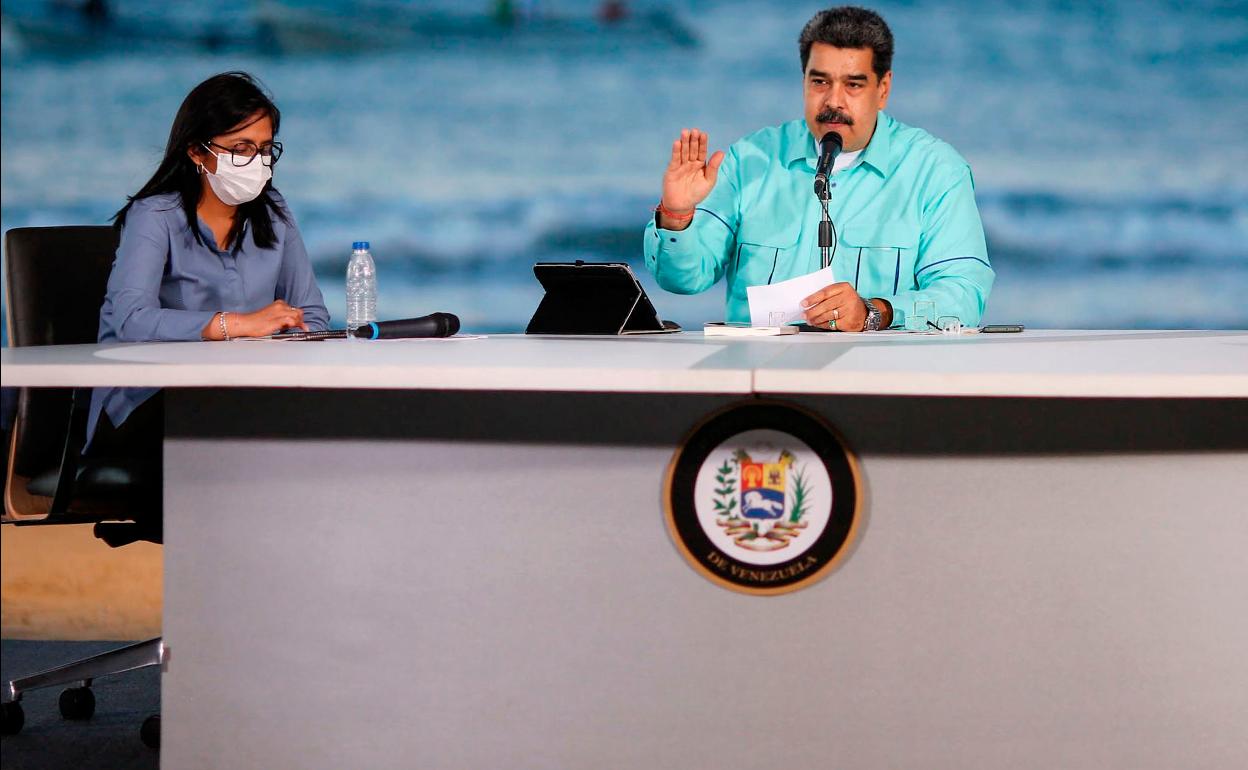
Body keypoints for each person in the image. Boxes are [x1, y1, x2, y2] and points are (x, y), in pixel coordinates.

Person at [643, 6, 993, 331]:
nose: (833, 101)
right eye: (820, 82)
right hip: (759, 376)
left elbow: (964, 295)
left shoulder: (934, 170)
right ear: (803, 80)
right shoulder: (751, 160)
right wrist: (677, 215)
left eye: (853, 84)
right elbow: (684, 280)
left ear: (882, 89)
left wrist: (874, 313)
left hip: (880, 377)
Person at [86, 71, 329, 455]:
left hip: (243, 390)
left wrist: (277, 343)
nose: (257, 162)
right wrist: (236, 326)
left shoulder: (275, 211)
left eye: (265, 149)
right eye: (241, 148)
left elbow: (312, 314)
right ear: (197, 151)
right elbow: (131, 319)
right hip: (147, 402)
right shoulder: (155, 215)